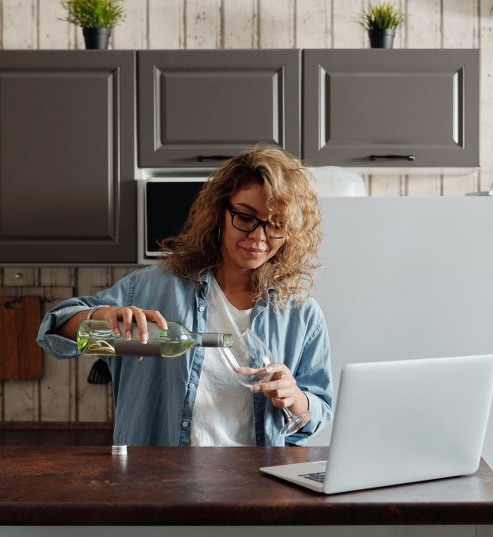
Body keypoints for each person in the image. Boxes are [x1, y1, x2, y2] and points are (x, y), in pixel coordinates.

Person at [36, 147, 332, 447]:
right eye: (245, 217)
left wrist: (296, 399)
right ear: (220, 213)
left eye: (276, 224)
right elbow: (54, 334)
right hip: (160, 485)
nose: (259, 236)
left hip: (253, 486)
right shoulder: (152, 288)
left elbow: (319, 413)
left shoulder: (301, 314)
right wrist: (99, 318)